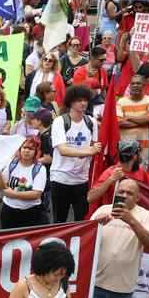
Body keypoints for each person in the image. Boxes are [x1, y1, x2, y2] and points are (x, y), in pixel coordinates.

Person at [49, 85, 98, 222]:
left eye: (85, 100)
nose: (83, 103)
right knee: (59, 221)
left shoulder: (91, 122)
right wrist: (87, 151)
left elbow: (94, 147)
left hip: (82, 179)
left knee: (81, 220)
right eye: (79, 100)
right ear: (71, 102)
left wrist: (95, 149)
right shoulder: (60, 121)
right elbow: (63, 150)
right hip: (60, 178)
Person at [0, 137, 48, 229]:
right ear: (20, 149)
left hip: (31, 213)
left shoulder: (40, 169)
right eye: (24, 147)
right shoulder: (12, 163)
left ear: (36, 152)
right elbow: (2, 185)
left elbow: (36, 194)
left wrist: (13, 194)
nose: (26, 151)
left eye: (31, 149)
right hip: (9, 211)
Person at [115, 73, 149, 157]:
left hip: (143, 143)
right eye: (133, 83)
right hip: (125, 143)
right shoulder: (121, 102)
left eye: (138, 83)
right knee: (126, 168)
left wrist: (128, 117)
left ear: (144, 85)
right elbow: (119, 122)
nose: (135, 85)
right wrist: (143, 122)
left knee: (141, 168)